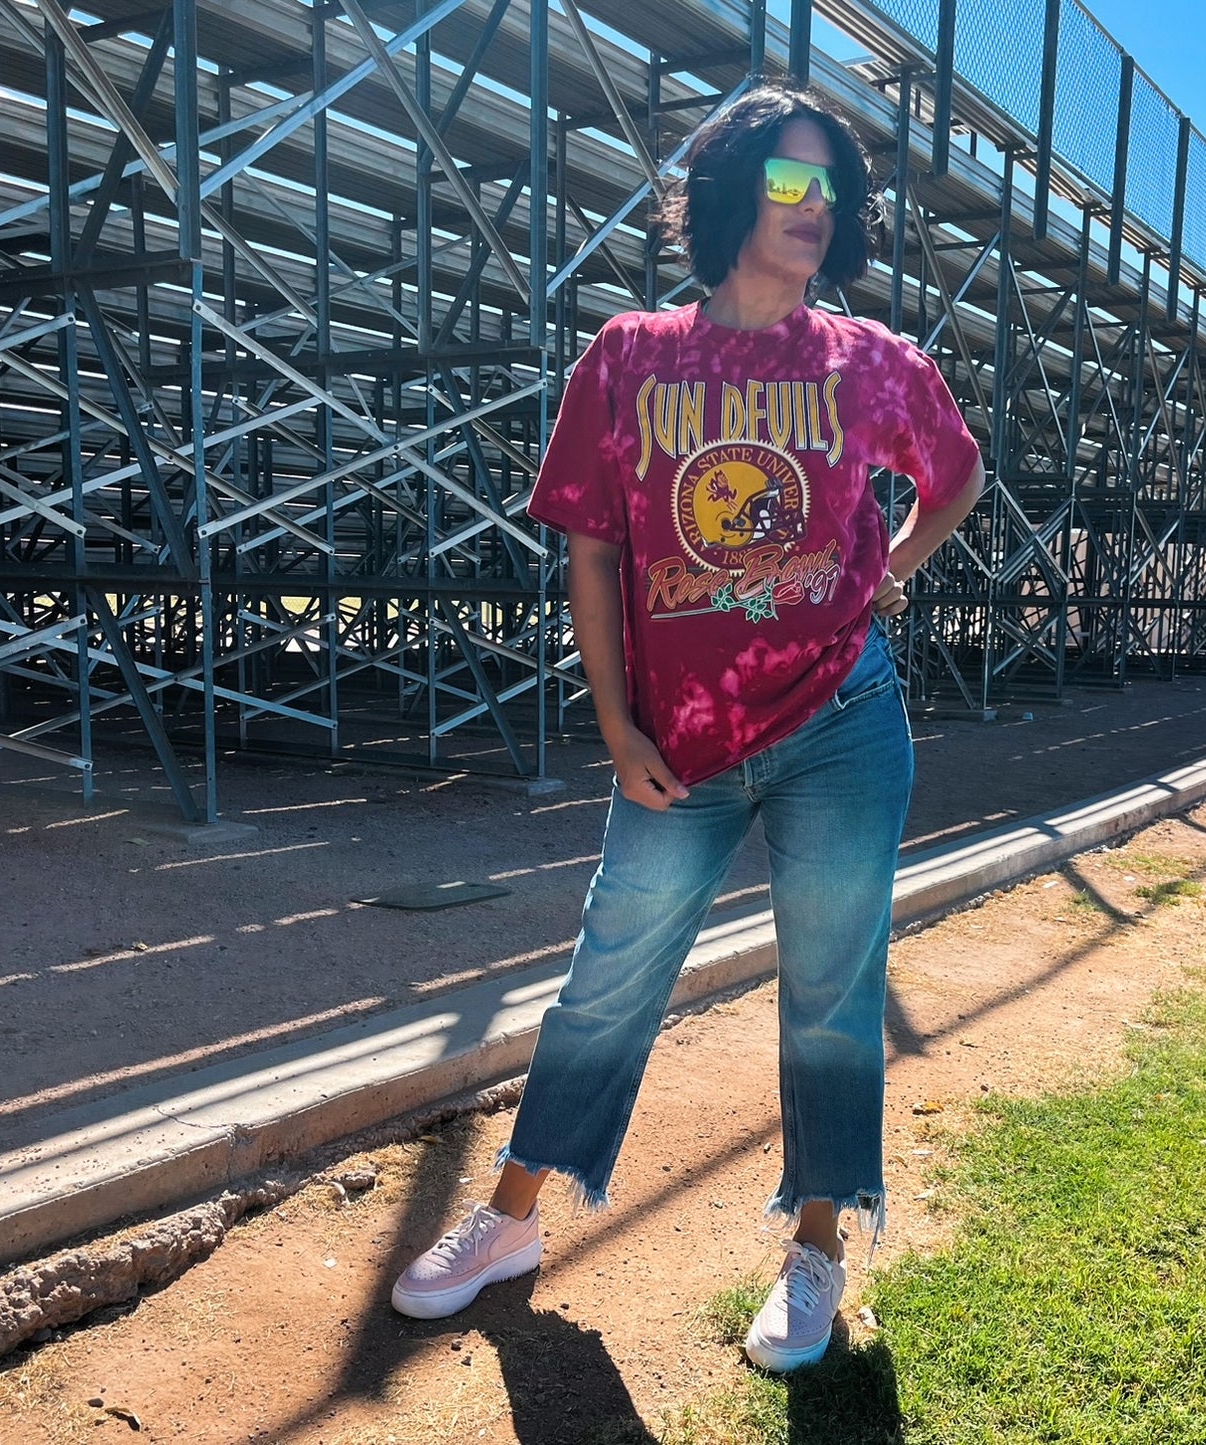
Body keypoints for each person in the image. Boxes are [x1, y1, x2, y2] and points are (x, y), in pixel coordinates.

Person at [391, 83, 984, 1373]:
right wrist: (615, 725)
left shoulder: (867, 361)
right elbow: (594, 554)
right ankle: (508, 1226)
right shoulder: (631, 356)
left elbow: (958, 469)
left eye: (830, 186)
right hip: (678, 746)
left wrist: (896, 570)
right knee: (608, 981)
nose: (812, 206)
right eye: (785, 181)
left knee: (831, 998)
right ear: (727, 195)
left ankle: (816, 1253)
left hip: (842, 722)